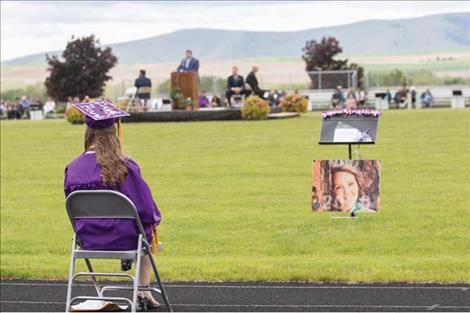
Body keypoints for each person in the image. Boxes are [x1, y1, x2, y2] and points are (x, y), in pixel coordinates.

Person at [64, 100, 161, 308]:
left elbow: (70, 206)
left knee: (142, 233)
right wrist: (154, 220)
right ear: (114, 132)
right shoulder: (125, 166)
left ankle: (141, 290)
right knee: (146, 236)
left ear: (87, 132)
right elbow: (146, 210)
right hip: (125, 239)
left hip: (88, 239)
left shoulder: (72, 168)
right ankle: (143, 293)